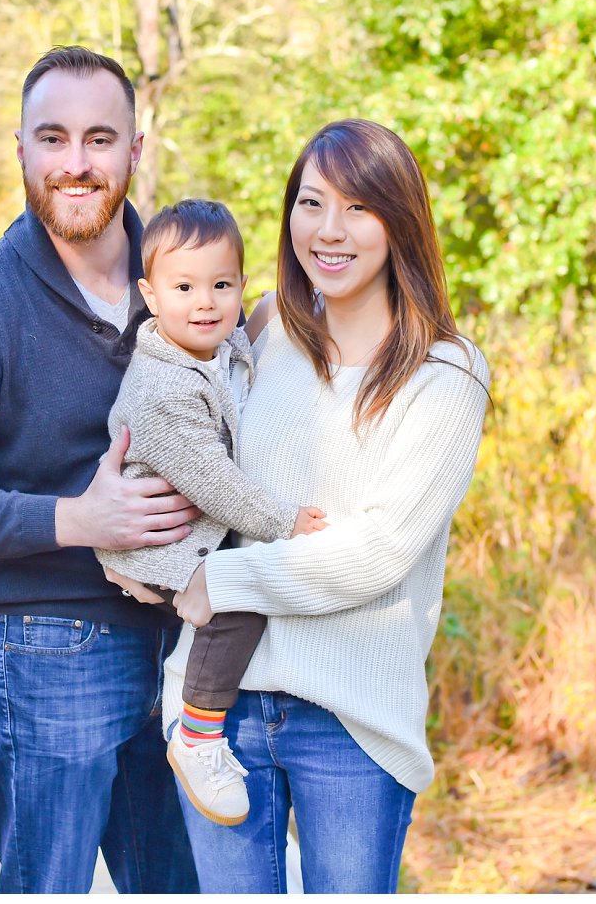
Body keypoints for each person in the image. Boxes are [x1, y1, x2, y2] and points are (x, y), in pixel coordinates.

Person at [0, 45, 203, 894]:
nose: (75, 163)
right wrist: (75, 519)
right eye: (52, 138)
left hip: (184, 648)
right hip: (49, 650)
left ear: (137, 150)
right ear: (19, 148)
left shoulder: (180, 279)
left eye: (100, 139)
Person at [163, 118, 492, 893]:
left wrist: (227, 582)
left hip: (351, 721)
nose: (329, 230)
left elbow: (378, 551)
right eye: (311, 203)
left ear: (399, 220)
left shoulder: (446, 373)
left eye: (358, 208)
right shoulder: (267, 327)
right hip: (219, 711)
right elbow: (206, 465)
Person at [94, 198, 328, 827]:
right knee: (238, 603)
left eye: (221, 286)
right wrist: (284, 521)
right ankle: (198, 732)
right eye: (185, 287)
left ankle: (191, 694)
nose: (205, 302)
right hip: (158, 545)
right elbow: (213, 483)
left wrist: (274, 311)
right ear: (149, 293)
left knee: (241, 589)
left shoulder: (209, 347)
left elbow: (241, 351)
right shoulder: (162, 387)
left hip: (197, 532)